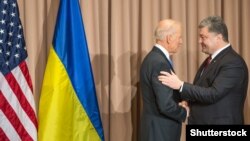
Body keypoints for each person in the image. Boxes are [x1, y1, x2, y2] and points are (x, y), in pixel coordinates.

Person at [158, 16, 249, 124]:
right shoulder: (211, 59)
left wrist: (181, 85)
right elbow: (201, 89)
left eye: (203, 37)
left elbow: (213, 94)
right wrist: (188, 102)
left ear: (218, 38)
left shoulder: (233, 63)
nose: (199, 41)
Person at [140, 19, 189, 141]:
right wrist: (184, 111)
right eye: (179, 37)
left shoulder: (153, 58)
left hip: (155, 129)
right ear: (169, 38)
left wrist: (178, 101)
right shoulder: (159, 63)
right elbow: (165, 105)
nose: (181, 42)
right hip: (160, 132)